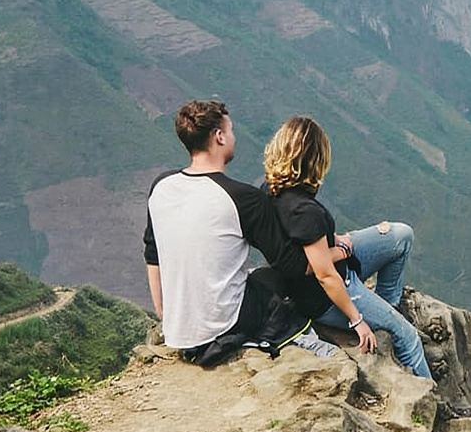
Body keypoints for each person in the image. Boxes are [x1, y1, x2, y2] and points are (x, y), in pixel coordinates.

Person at [142, 99, 336, 363]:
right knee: (271, 280)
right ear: (219, 137)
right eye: (230, 130)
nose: (233, 136)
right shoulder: (242, 198)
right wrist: (337, 251)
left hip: (178, 330)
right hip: (223, 324)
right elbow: (291, 264)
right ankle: (306, 342)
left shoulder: (161, 186)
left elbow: (152, 254)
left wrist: (166, 315)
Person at [261, 115, 432, 378]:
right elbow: (325, 274)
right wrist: (358, 320)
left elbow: (300, 246)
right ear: (315, 160)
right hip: (328, 296)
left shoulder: (271, 190)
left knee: (400, 236)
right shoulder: (304, 211)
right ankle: (432, 398)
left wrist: (334, 240)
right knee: (408, 336)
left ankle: (388, 306)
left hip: (337, 270)